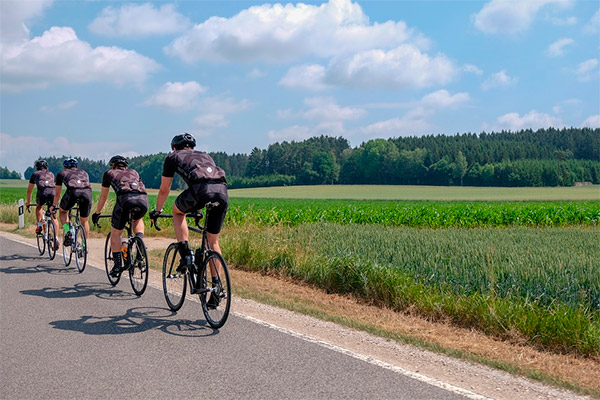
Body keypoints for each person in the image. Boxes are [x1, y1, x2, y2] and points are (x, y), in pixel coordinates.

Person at [149, 133, 228, 303]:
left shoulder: (173, 157)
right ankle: (216, 287)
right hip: (222, 192)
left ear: (174, 147)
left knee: (178, 212)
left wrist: (157, 210)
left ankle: (185, 253)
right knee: (213, 242)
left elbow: (165, 189)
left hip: (200, 192)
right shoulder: (205, 155)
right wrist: (198, 209)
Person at [92, 155, 148, 277]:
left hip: (125, 200)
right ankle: (139, 241)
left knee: (116, 233)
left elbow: (103, 196)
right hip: (143, 200)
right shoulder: (134, 172)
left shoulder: (109, 173)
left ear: (112, 165)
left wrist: (97, 213)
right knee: (137, 219)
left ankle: (117, 266)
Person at [53, 158, 93, 247]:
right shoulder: (84, 172)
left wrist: (53, 205)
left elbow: (57, 194)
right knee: (84, 220)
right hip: (87, 193)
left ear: (65, 167)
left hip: (73, 192)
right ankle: (84, 245)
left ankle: (68, 231)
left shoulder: (61, 173)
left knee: (63, 212)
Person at [26, 160, 59, 250]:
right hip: (53, 193)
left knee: (39, 207)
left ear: (37, 167)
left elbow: (29, 191)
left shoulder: (35, 174)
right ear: (46, 167)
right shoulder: (51, 174)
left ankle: (40, 225)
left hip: (42, 192)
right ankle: (56, 238)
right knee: (53, 216)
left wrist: (28, 202)